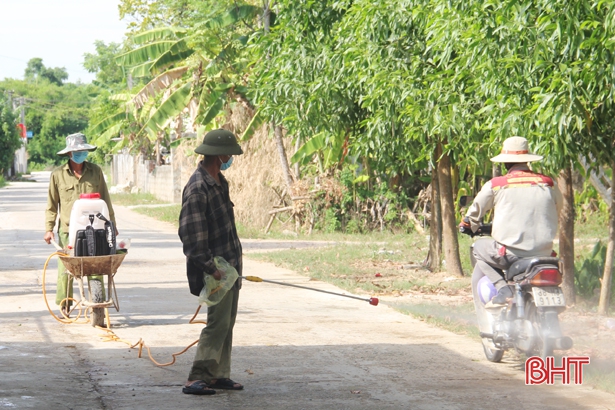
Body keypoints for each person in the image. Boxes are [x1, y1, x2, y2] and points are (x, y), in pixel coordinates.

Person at [178, 129, 244, 396]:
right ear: (220, 155)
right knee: (217, 323)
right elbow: (191, 236)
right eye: (229, 154)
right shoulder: (198, 187)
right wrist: (210, 268)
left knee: (228, 322)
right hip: (215, 271)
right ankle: (197, 377)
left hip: (230, 267)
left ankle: (218, 375)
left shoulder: (220, 181)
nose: (230, 158)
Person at [459, 136, 562, 305]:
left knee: (478, 248)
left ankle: (502, 288)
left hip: (512, 255)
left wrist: (468, 224)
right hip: (544, 254)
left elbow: (474, 212)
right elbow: (557, 208)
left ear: (506, 163)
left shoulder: (497, 184)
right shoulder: (548, 183)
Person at [43, 133, 117, 317]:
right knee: (66, 270)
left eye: (82, 150)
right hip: (68, 230)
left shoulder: (96, 172)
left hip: (96, 229)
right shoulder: (58, 175)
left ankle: (97, 303)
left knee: (95, 266)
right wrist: (49, 229)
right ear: (69, 153)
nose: (80, 153)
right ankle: (65, 304)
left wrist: (112, 224)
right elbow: (52, 205)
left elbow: (106, 200)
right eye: (76, 151)